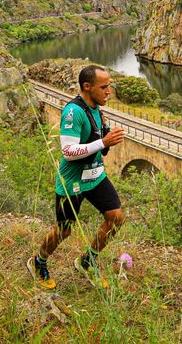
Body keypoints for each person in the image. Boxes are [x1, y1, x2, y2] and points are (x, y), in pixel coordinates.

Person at [27, 65, 126, 289]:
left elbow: (96, 143)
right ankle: (38, 262)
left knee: (116, 217)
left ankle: (87, 262)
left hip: (95, 176)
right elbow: (68, 152)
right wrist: (104, 142)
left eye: (109, 86)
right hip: (72, 181)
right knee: (65, 230)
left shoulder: (96, 109)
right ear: (87, 86)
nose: (108, 91)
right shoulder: (73, 112)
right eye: (104, 87)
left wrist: (106, 139)